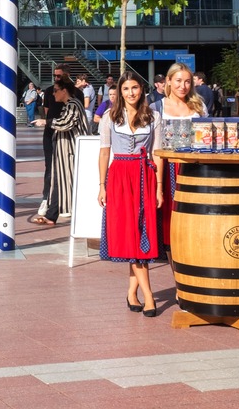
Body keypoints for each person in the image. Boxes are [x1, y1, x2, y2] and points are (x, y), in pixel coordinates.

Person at [98, 72, 164, 317]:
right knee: (129, 235)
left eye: (134, 88)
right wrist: (102, 185)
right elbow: (104, 152)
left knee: (140, 234)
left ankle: (132, 292)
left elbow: (157, 154)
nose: (130, 93)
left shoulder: (154, 117)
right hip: (119, 177)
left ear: (141, 89)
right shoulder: (109, 117)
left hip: (144, 175)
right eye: (126, 89)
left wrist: (158, 187)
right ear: (120, 92)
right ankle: (149, 296)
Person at [152, 62, 208, 252]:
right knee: (169, 215)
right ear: (168, 81)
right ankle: (172, 257)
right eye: (178, 81)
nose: (182, 86)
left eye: (187, 82)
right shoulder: (156, 108)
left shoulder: (198, 106)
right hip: (166, 169)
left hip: (194, 167)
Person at [29, 78, 87, 226]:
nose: (53, 94)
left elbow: (66, 123)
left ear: (64, 91)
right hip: (64, 152)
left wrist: (46, 122)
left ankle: (78, 216)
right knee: (58, 181)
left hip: (71, 152)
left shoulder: (73, 105)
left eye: (56, 91)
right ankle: (51, 215)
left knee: (70, 182)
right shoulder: (69, 105)